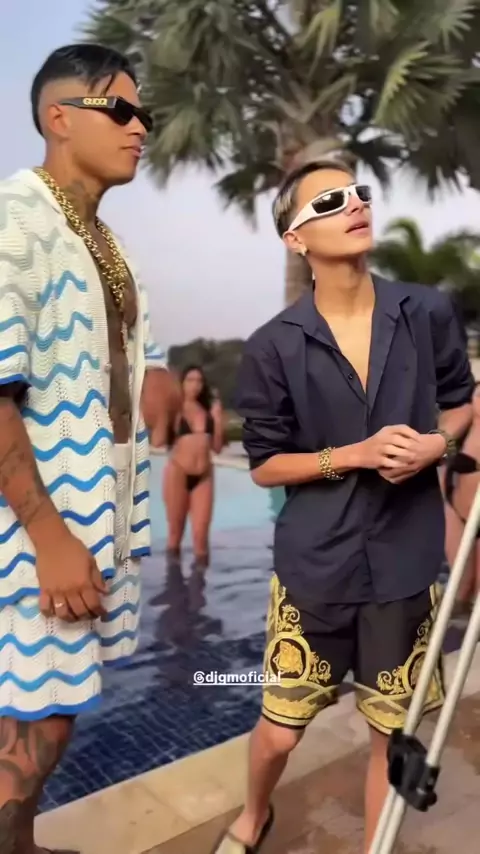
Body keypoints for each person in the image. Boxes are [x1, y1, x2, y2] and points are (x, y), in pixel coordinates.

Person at [214, 159, 475, 854]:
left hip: (404, 566)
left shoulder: (426, 312)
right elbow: (265, 465)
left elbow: (460, 403)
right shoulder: (273, 346)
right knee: (279, 732)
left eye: (358, 193)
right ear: (295, 238)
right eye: (330, 201)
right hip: (315, 570)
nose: (355, 204)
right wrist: (353, 455)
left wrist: (438, 445)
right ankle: (254, 815)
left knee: (391, 733)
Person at [0, 44, 179, 853]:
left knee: (50, 713)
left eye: (146, 115)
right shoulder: (15, 220)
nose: (140, 127)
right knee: (30, 723)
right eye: (121, 109)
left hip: (92, 521)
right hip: (37, 531)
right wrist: (49, 536)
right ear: (58, 117)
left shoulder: (109, 243)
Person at [163, 365, 224, 568]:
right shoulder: (175, 409)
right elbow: (160, 441)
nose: (195, 385)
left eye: (199, 381)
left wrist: (217, 419)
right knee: (175, 534)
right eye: (190, 380)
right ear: (182, 383)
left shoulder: (208, 412)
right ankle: (173, 581)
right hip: (178, 473)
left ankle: (200, 585)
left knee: (200, 536)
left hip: (204, 476)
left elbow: (217, 448)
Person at [442, 382, 480, 613]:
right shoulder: (463, 419)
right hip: (456, 509)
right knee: (460, 587)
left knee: (477, 595)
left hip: (475, 513)